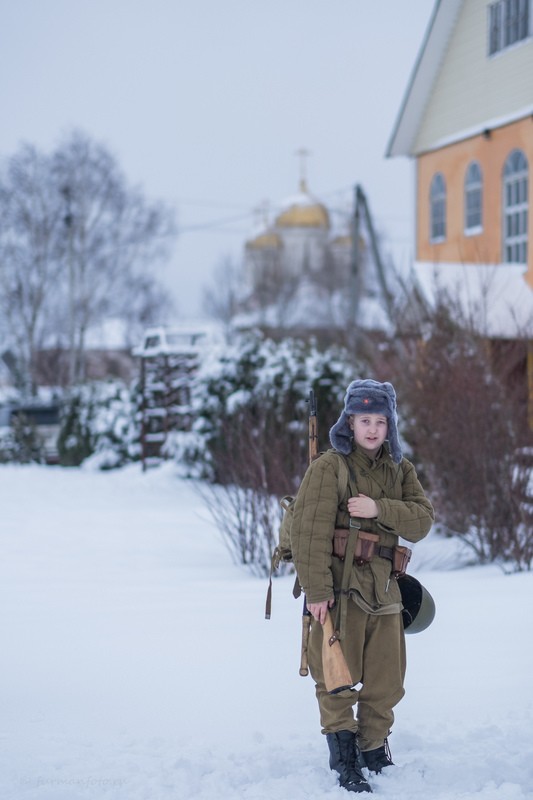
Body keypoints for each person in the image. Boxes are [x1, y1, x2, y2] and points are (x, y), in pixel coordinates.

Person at [291, 379, 434, 793]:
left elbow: (422, 521)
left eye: (380, 420)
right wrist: (317, 591)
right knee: (337, 676)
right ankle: (344, 755)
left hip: (386, 593)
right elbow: (308, 532)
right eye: (364, 419)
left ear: (390, 425)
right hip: (340, 588)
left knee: (388, 680)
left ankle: (373, 747)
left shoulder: (399, 469)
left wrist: (379, 508)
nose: (372, 428)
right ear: (349, 423)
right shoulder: (330, 466)